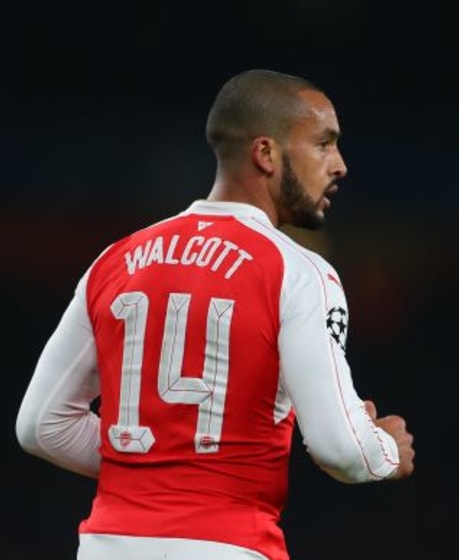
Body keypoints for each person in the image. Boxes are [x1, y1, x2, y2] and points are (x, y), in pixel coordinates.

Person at [15, 69, 415, 560]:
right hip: (227, 545)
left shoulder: (115, 260)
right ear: (266, 154)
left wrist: (160, 462)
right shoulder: (299, 273)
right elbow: (343, 451)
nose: (340, 165)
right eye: (323, 144)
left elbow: (41, 426)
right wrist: (386, 450)